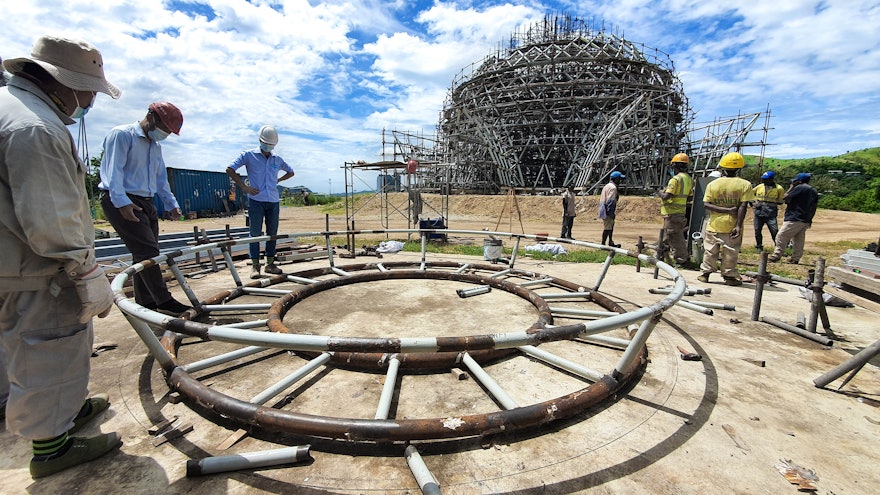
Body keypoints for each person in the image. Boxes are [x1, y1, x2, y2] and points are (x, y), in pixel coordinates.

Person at [0, 35, 122, 478]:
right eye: (88, 90)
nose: (90, 99)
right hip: (37, 267)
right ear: (61, 83)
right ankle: (52, 446)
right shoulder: (37, 128)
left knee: (20, 345)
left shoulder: (11, 108)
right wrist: (85, 270)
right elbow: (50, 215)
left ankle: (63, 409)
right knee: (50, 344)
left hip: (11, 261)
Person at [98, 102, 191, 315]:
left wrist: (172, 204)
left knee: (142, 255)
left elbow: (161, 180)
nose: (165, 134)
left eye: (169, 131)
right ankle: (164, 301)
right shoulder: (122, 135)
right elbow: (114, 173)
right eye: (164, 128)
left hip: (146, 201)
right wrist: (121, 203)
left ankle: (145, 302)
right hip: (122, 198)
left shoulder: (155, 147)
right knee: (148, 251)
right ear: (151, 117)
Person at [226, 125, 296, 279]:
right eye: (266, 143)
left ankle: (270, 264)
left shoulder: (277, 159)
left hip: (273, 201)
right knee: (255, 234)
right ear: (260, 140)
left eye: (271, 145)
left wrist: (279, 179)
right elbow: (230, 169)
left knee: (272, 234)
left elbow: (291, 172)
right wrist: (244, 187)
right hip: (256, 201)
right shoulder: (248, 155)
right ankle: (255, 266)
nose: (268, 147)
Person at [698, 152, 755, 286]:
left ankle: (705, 274)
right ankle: (729, 277)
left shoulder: (713, 184)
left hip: (714, 224)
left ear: (723, 168)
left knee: (710, 250)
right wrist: (738, 225)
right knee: (731, 251)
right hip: (732, 225)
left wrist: (723, 210)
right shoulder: (745, 185)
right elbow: (743, 206)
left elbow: (706, 204)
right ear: (739, 169)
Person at [769, 172, 819, 264]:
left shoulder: (799, 188)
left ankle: (777, 255)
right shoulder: (813, 191)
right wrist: (810, 219)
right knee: (798, 238)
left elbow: (784, 197)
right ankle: (795, 258)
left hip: (794, 217)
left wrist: (791, 187)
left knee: (781, 235)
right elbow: (814, 206)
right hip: (805, 218)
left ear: (799, 181)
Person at [658, 153, 694, 265]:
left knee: (675, 236)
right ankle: (660, 253)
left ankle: (682, 259)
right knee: (667, 235)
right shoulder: (688, 179)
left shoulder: (675, 180)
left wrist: (660, 192)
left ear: (675, 166)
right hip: (679, 212)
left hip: (672, 213)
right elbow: (690, 196)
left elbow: (666, 196)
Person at [751, 170, 785, 251]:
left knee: (774, 231)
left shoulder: (779, 188)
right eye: (763, 179)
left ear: (772, 179)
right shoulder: (759, 186)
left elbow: (780, 201)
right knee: (757, 230)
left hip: (771, 213)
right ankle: (759, 246)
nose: (764, 181)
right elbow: (750, 194)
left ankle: (778, 248)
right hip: (759, 212)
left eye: (766, 179)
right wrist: (752, 203)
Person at [598, 171, 624, 247]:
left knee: (610, 226)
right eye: (619, 179)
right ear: (615, 179)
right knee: (607, 227)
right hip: (607, 209)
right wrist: (611, 213)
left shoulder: (607, 186)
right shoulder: (613, 188)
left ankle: (610, 241)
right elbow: (610, 201)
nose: (620, 181)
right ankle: (603, 244)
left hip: (603, 207)